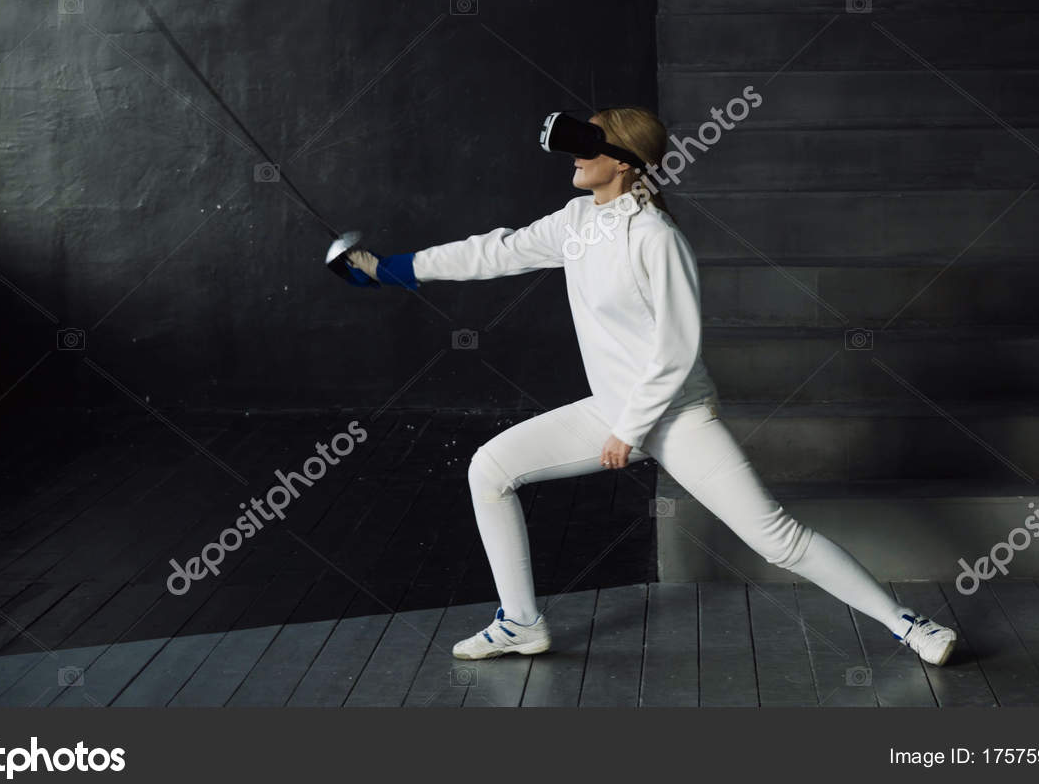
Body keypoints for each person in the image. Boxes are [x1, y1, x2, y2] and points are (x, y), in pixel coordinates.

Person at [343, 107, 957, 669]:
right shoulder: (576, 222)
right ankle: (521, 624)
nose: (576, 157)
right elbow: (493, 253)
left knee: (776, 539)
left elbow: (675, 350)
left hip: (678, 417)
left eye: (590, 145)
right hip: (610, 411)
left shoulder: (657, 238)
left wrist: (628, 431)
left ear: (624, 161)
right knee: (489, 469)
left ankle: (910, 626)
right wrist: (387, 270)